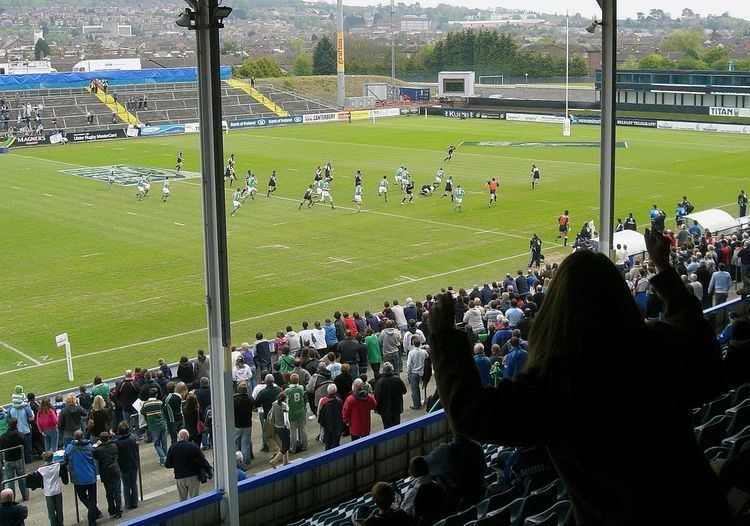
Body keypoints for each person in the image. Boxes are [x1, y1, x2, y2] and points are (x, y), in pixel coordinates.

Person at [428, 229, 730, 526]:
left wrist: (443, 335)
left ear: (556, 308)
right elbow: (698, 337)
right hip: (700, 506)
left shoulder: (558, 385)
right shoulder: (657, 346)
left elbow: (470, 412)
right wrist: (664, 268)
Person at [64, 430, 102, 525]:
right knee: (93, 498)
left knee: (82, 497)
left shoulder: (70, 448)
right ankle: (93, 515)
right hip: (90, 476)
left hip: (78, 478)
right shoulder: (89, 446)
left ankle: (94, 513)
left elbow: (65, 458)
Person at [165, 429, 213, 502]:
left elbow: (167, 464)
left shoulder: (172, 447)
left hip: (179, 477)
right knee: (194, 499)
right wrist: (209, 471)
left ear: (178, 437)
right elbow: (203, 460)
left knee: (182, 500)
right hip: (193, 476)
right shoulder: (193, 446)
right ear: (187, 437)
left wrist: (177, 465)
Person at [401, 456, 449, 524]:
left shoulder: (416, 490)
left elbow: (405, 512)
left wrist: (398, 507)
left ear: (412, 471)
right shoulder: (436, 484)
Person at [93, 432, 122, 519]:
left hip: (105, 472)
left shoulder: (99, 450)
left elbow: (95, 456)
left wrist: (97, 446)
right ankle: (119, 510)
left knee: (109, 493)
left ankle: (112, 511)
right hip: (115, 470)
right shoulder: (113, 446)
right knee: (117, 491)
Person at [1, 418, 28, 501]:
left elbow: (1, 446)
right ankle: (25, 496)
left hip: (9, 460)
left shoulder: (4, 436)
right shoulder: (20, 435)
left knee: (10, 480)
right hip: (19, 458)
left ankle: (11, 499)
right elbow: (25, 446)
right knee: (21, 478)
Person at [115, 422, 139, 510]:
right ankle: (135, 502)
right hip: (133, 463)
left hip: (123, 466)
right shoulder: (133, 438)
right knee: (133, 484)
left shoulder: (117, 442)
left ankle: (128, 503)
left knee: (126, 485)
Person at [373, 363, 406, 429]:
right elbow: (404, 391)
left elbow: (377, 396)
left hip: (384, 409)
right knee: (397, 427)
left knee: (387, 428)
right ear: (391, 369)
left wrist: (376, 408)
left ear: (383, 370)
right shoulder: (397, 379)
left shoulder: (380, 381)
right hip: (396, 406)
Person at [140, 388, 168, 465]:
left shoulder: (145, 404)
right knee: (164, 442)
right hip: (162, 424)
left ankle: (163, 457)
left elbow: (142, 412)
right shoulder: (159, 402)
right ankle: (165, 458)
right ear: (156, 394)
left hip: (154, 426)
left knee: (156, 443)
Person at [37, 451, 64, 526]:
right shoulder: (57, 465)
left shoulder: (41, 470)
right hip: (58, 490)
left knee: (51, 511)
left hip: (48, 492)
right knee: (59, 509)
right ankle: (61, 523)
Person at [233, 382, 254, 470]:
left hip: (237, 425)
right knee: (245, 444)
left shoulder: (234, 400)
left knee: (235, 443)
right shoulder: (250, 399)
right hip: (247, 424)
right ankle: (246, 462)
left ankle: (237, 462)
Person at [286, 374, 308, 454]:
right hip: (301, 411)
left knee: (293, 431)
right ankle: (305, 445)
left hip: (292, 412)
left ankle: (293, 448)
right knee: (302, 429)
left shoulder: (288, 390)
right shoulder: (301, 388)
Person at [269, 392, 291, 468]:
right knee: (286, 447)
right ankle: (274, 461)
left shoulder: (274, 404)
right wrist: (288, 427)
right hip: (283, 428)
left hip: (277, 427)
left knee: (283, 443)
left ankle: (286, 461)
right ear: (285, 399)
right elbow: (286, 420)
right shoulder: (285, 406)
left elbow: (271, 415)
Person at [406, 339, 429, 410]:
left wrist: (408, 371)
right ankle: (419, 402)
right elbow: (427, 356)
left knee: (414, 390)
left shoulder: (411, 353)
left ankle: (417, 405)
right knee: (417, 388)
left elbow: (409, 364)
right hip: (421, 372)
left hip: (413, 372)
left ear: (413, 344)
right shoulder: (423, 352)